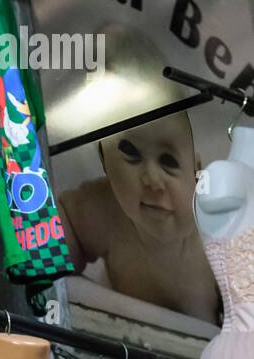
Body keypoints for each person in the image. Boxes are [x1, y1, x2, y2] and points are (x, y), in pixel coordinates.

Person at [58, 111, 219, 324]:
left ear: (197, 173)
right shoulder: (104, 209)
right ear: (105, 161)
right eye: (131, 152)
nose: (152, 179)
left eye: (168, 161)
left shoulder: (221, 237)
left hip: (198, 348)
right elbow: (60, 228)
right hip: (124, 339)